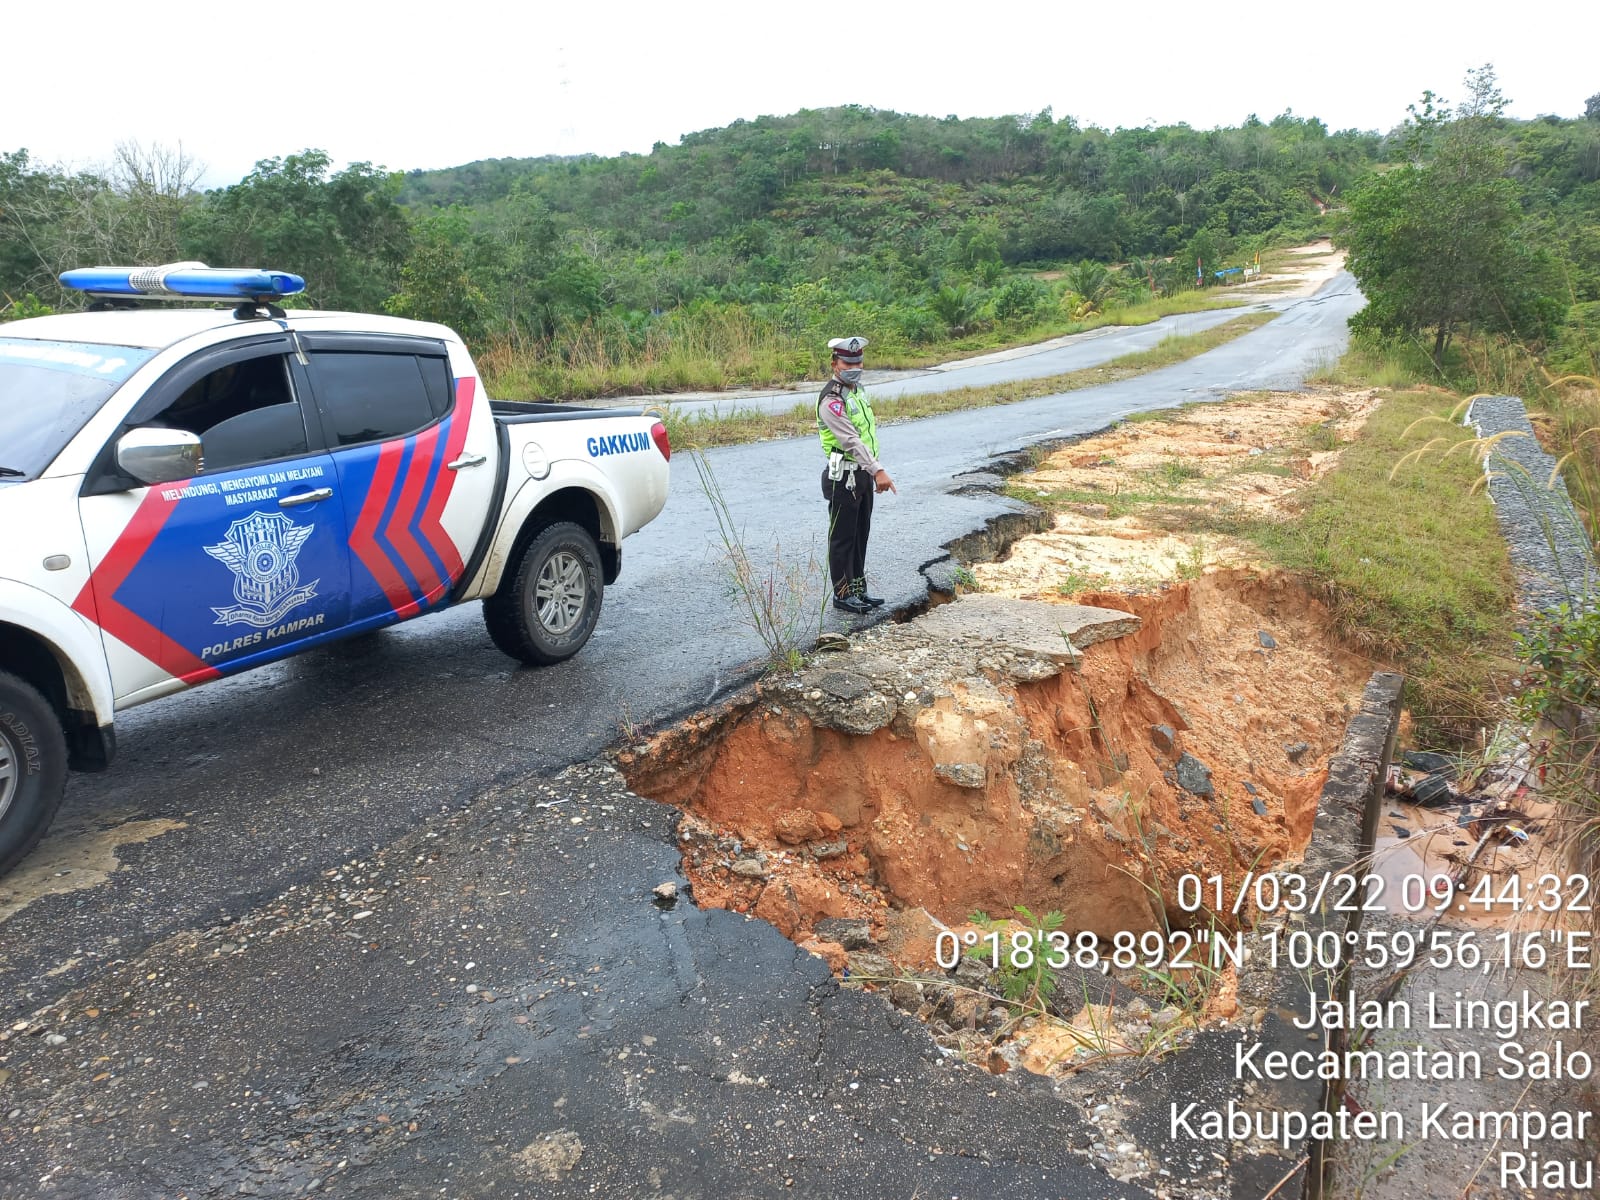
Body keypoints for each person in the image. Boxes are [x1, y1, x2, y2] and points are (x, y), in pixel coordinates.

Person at [816, 335, 895, 615]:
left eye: (858, 361)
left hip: (862, 475)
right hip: (843, 477)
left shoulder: (857, 392)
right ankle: (842, 594)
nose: (854, 366)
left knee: (861, 534)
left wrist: (871, 470)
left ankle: (859, 589)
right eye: (848, 362)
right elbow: (850, 440)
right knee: (842, 538)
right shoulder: (831, 399)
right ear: (834, 364)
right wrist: (879, 470)